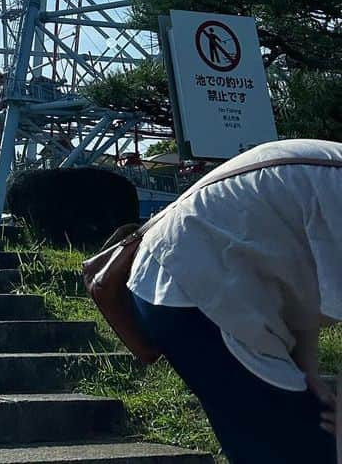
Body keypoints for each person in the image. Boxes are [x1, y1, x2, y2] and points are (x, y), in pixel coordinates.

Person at [127, 137, 341, 464]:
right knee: (298, 448)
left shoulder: (328, 170)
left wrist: (308, 371)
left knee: (301, 437)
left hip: (187, 273)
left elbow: (302, 288)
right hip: (198, 285)